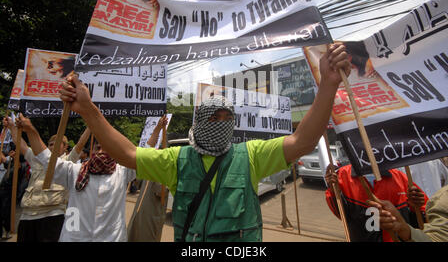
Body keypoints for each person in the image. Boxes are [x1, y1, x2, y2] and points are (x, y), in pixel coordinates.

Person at [60, 43, 351, 242]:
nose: (222, 122)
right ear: (199, 122)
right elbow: (127, 153)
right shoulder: (177, 159)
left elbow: (303, 141)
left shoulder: (250, 155)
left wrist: (328, 84)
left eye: (228, 117)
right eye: (215, 117)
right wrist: (88, 109)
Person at [15, 115, 136, 242]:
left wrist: (156, 131)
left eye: (107, 149)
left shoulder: (122, 172)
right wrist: (31, 131)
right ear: (92, 151)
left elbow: (140, 155)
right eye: (98, 148)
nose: (101, 152)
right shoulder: (75, 171)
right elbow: (46, 159)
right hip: (75, 237)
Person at [6, 116, 90, 242]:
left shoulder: (67, 162)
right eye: (50, 144)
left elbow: (80, 144)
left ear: (65, 147)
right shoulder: (36, 159)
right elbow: (20, 143)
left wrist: (91, 124)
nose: (52, 147)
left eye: (56, 144)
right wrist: (11, 126)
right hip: (27, 215)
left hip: (52, 215)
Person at [325, 163, 428, 242]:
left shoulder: (399, 177)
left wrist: (416, 206)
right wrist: (334, 191)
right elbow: (342, 214)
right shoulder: (343, 175)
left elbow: (424, 216)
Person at [127, 115, 169, 242]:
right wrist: (157, 129)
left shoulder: (164, 172)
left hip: (152, 217)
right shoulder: (149, 169)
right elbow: (146, 150)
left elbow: (161, 192)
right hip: (140, 213)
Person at [368, 184, 448, 242]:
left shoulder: (399, 178)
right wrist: (405, 230)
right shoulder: (444, 199)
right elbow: (438, 237)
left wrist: (417, 208)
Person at [0, 147, 26, 240]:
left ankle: (7, 231)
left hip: (10, 192)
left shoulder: (21, 165)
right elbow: (3, 160)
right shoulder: (11, 163)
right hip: (2, 190)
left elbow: (17, 167)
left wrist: (15, 157)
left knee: (6, 213)